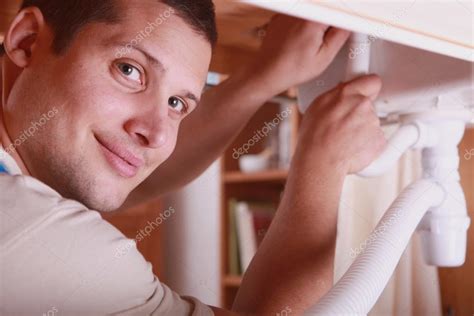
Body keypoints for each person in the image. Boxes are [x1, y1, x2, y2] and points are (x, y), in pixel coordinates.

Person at [0, 0, 385, 314]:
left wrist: (265, 76)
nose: (157, 134)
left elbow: (122, 172)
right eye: (129, 70)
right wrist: (324, 160)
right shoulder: (41, 236)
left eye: (176, 103)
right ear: (27, 40)